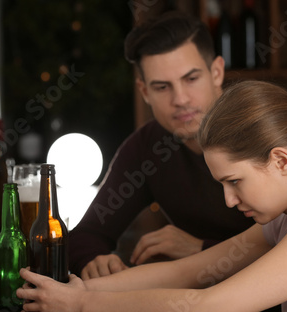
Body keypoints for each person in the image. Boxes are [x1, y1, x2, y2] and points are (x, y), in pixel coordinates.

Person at [18, 80, 287, 312]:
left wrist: (83, 303)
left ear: (281, 161)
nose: (229, 199)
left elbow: (211, 310)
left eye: (234, 181)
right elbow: (188, 272)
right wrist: (72, 290)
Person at [69, 12, 248, 278]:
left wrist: (201, 249)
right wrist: (93, 260)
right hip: (198, 301)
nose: (180, 99)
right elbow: (87, 234)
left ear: (217, 72)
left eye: (191, 79)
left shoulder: (262, 129)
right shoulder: (148, 147)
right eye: (162, 87)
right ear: (144, 92)